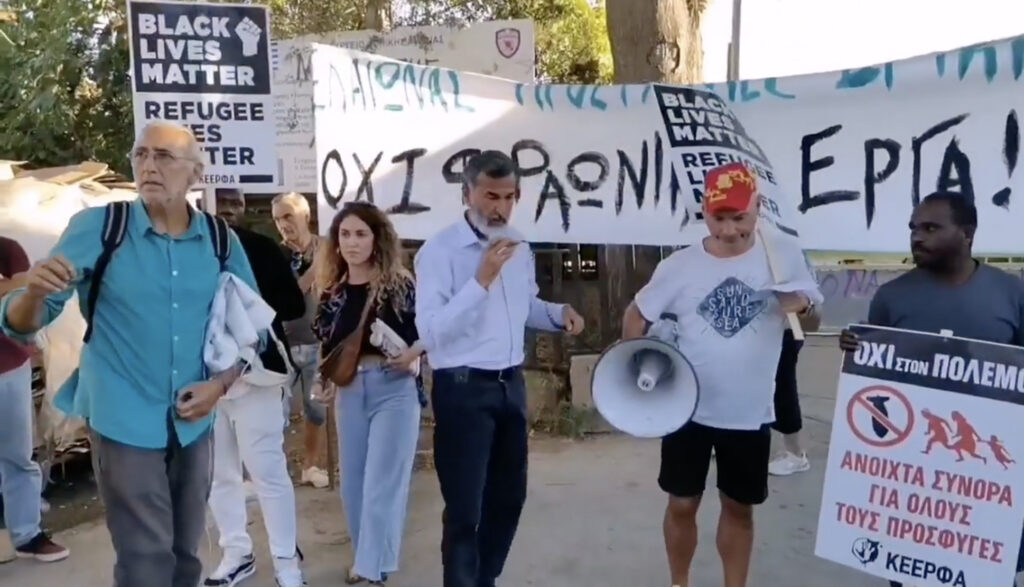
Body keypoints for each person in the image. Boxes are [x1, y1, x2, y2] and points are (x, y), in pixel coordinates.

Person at [0, 121, 258, 587]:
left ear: (195, 173)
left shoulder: (221, 241)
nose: (149, 166)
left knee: (186, 555)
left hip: (194, 422)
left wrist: (219, 387)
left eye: (164, 156)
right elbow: (22, 323)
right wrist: (34, 293)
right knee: (145, 558)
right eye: (141, 155)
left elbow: (251, 332)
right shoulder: (100, 228)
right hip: (121, 417)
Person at [622, 162, 822, 587]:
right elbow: (637, 314)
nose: (729, 230)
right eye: (719, 218)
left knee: (739, 508)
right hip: (686, 409)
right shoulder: (679, 265)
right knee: (681, 504)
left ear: (758, 207)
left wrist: (803, 305)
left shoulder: (782, 255)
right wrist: (634, 372)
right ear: (704, 211)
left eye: (740, 218)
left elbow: (816, 320)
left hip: (749, 411)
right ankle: (680, 582)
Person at [414, 150, 585, 587]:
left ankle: (484, 580)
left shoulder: (518, 244)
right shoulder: (440, 251)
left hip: (511, 384)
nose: (500, 208)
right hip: (463, 387)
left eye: (509, 197)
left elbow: (524, 305)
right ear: (467, 193)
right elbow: (431, 332)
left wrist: (558, 313)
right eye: (491, 196)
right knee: (465, 510)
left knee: (508, 500)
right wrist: (482, 280)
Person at [837, 191, 1024, 587]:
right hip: (913, 473)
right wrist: (857, 350)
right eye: (913, 229)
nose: (917, 237)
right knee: (909, 570)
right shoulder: (891, 297)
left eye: (931, 228)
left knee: (987, 573)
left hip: (988, 471)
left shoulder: (1012, 294)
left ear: (967, 233)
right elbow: (875, 384)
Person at [310, 201, 424, 585]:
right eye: (345, 234)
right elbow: (328, 343)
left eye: (361, 234)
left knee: (382, 483)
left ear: (377, 239)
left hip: (394, 386)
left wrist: (414, 355)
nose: (352, 242)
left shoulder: (400, 285)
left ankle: (370, 568)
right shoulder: (334, 291)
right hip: (350, 389)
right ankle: (372, 558)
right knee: (353, 485)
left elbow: (429, 330)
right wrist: (322, 379)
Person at [202, 188, 307, 587]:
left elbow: (293, 306)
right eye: (222, 203)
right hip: (204, 379)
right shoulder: (180, 250)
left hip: (256, 373)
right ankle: (237, 552)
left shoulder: (261, 248)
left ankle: (285, 560)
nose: (228, 210)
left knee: (267, 471)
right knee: (219, 473)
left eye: (234, 203)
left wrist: (244, 307)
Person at [0, 236, 68, 563]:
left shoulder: (7, 248)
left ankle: (27, 535)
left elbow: (27, 292)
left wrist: (19, 285)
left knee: (18, 456)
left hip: (9, 366)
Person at [272, 191, 330, 489]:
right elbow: (287, 296)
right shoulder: (274, 255)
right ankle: (272, 470)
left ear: (305, 216)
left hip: (318, 341)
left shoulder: (328, 249)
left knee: (316, 409)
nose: (283, 225)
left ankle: (311, 466)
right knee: (275, 412)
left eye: (288, 216)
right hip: (283, 343)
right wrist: (314, 271)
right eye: (277, 219)